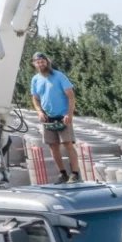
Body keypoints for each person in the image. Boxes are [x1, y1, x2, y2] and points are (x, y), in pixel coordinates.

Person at [28, 52, 78, 183]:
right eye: (38, 62)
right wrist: (39, 111)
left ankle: (75, 173)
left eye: (43, 61)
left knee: (68, 144)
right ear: (34, 64)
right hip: (48, 118)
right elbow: (35, 98)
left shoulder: (59, 76)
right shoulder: (35, 79)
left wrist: (69, 114)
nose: (41, 64)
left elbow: (71, 96)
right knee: (53, 145)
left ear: (47, 62)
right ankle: (62, 173)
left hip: (63, 116)